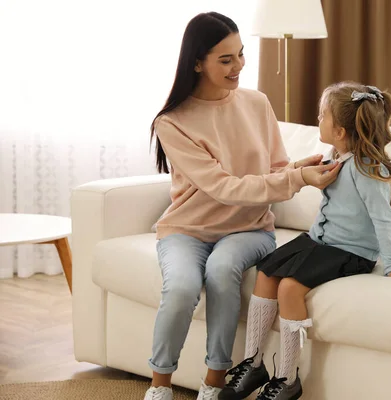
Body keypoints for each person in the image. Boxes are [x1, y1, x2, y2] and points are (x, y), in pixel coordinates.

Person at [144, 12, 342, 400]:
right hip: (187, 230)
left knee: (221, 270)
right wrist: (296, 179)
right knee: (182, 288)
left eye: (241, 54)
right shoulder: (172, 121)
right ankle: (159, 387)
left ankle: (213, 384)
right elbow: (222, 186)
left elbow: (276, 169)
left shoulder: (256, 102)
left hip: (249, 228)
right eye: (225, 59)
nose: (239, 67)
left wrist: (299, 169)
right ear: (197, 62)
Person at [218, 82, 391, 400]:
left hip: (351, 252)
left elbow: (383, 220)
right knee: (265, 272)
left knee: (289, 287)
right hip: (318, 240)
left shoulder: (367, 169)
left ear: (341, 131)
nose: (317, 120)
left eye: (322, 115)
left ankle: (288, 379)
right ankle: (255, 363)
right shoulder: (338, 156)